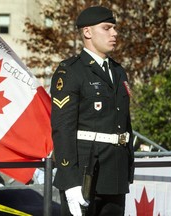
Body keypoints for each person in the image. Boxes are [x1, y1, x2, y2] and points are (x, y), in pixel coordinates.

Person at [50, 6, 134, 216]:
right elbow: (63, 128)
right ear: (87, 32)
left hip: (114, 172)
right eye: (107, 28)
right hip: (84, 173)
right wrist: (69, 180)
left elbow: (123, 121)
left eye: (114, 28)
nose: (114, 33)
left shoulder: (118, 71)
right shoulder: (71, 71)